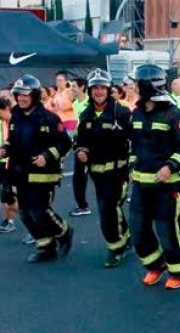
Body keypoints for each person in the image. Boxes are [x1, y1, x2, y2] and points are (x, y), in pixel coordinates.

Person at [129, 64, 180, 289]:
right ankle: (156, 266)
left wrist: (170, 166)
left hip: (168, 186)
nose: (134, 87)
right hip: (140, 184)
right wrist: (132, 165)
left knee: (167, 230)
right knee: (137, 228)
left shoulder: (174, 114)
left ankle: (177, 271)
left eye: (137, 83)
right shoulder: (136, 113)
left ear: (146, 86)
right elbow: (134, 145)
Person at [0, 75, 74, 263]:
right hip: (21, 173)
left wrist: (47, 156)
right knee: (25, 213)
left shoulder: (49, 118)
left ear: (34, 95)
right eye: (19, 95)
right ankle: (46, 247)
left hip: (43, 175)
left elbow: (65, 142)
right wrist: (3, 149)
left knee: (39, 211)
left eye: (26, 95)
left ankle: (64, 232)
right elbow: (13, 142)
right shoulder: (15, 116)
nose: (22, 98)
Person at [75, 69, 133, 267]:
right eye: (95, 88)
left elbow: (136, 140)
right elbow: (80, 140)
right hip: (97, 173)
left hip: (118, 172)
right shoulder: (86, 114)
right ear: (90, 90)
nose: (99, 91)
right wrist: (81, 149)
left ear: (109, 90)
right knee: (110, 208)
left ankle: (115, 248)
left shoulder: (122, 113)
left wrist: (133, 165)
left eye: (102, 87)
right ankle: (125, 237)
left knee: (107, 209)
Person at [0, 97, 19, 233]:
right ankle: (10, 220)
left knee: (11, 194)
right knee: (6, 194)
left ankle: (39, 222)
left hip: (16, 163)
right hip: (4, 161)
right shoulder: (0, 121)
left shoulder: (18, 121)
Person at [69, 77, 92, 217]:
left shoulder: (91, 102)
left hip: (93, 145)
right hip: (80, 145)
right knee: (78, 177)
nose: (72, 89)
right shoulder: (76, 103)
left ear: (82, 87)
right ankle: (82, 206)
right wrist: (72, 137)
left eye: (74, 86)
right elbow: (77, 125)